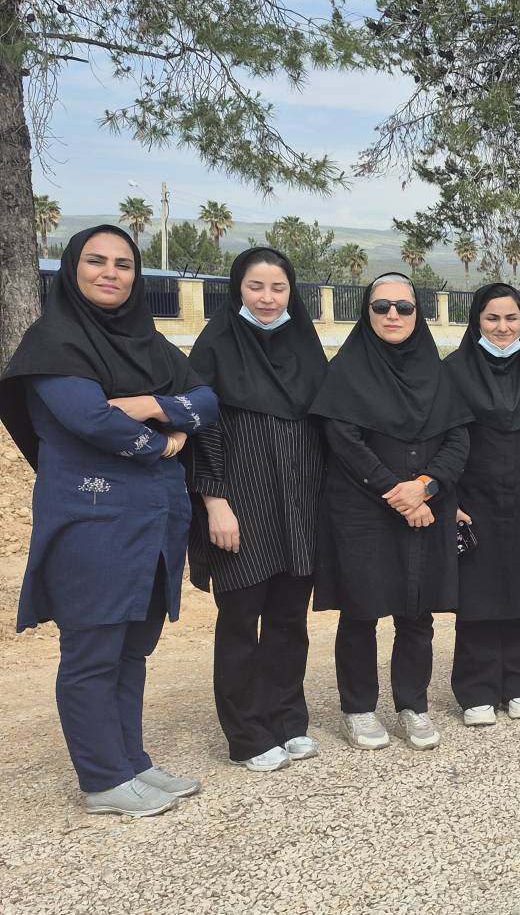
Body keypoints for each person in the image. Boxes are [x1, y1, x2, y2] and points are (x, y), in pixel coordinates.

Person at [0, 225, 217, 816]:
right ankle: (102, 779)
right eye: (96, 261)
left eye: (123, 264)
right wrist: (165, 442)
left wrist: (151, 406)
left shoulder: (148, 342)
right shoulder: (54, 342)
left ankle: (132, 762)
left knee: (131, 648)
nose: (110, 273)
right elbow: (91, 419)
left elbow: (207, 401)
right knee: (93, 650)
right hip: (93, 518)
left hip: (153, 521)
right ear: (72, 269)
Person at [311, 273, 473, 752]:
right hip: (362, 508)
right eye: (381, 306)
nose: (393, 315)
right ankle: (359, 708)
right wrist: (396, 492)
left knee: (416, 611)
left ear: (417, 313)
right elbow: (344, 440)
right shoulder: (346, 372)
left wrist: (424, 487)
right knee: (361, 611)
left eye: (403, 307)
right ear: (367, 312)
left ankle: (413, 706)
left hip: (426, 505)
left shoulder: (438, 373)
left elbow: (458, 439)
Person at [187, 247, 328, 772]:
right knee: (241, 621)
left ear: (292, 292)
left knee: (289, 620)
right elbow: (201, 430)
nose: (267, 299)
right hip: (239, 507)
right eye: (255, 287)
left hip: (299, 507)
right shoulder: (216, 347)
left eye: (278, 288)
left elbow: (324, 427)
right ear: (237, 290)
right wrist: (214, 502)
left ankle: (287, 719)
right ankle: (246, 734)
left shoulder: (305, 347)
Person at [443, 283, 520, 727]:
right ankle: (477, 690)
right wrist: (450, 498)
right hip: (472, 491)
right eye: (492, 318)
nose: (503, 327)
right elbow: (443, 435)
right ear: (477, 321)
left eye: (512, 318)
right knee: (477, 591)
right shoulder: (453, 371)